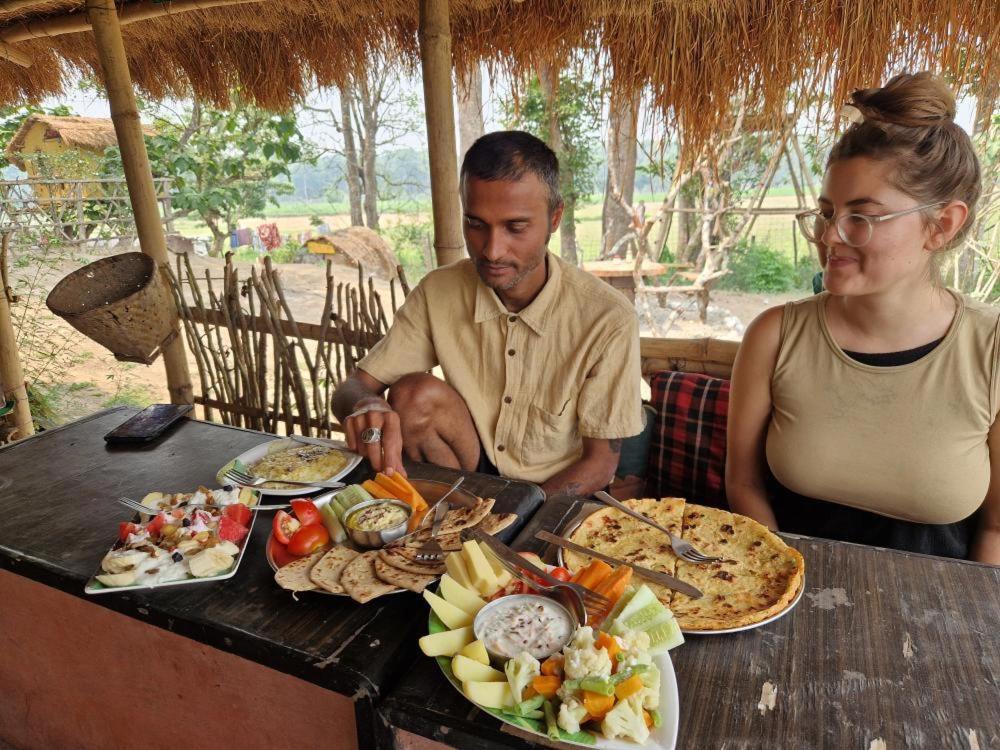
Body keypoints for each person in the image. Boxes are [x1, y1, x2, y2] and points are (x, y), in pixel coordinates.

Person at [726, 72, 1000, 564]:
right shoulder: (776, 336)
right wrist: (778, 581)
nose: (829, 237)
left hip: (943, 616)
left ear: (941, 225)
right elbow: (743, 484)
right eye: (827, 212)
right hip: (787, 591)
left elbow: (997, 532)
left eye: (862, 216)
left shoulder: (991, 349)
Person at [332, 131, 643, 499]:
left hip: (556, 493)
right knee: (413, 393)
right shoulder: (439, 291)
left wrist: (517, 513)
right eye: (476, 224)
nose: (492, 251)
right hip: (465, 473)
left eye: (516, 227)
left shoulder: (607, 318)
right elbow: (352, 388)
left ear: (554, 217)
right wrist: (366, 404)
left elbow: (600, 465)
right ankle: (448, 514)